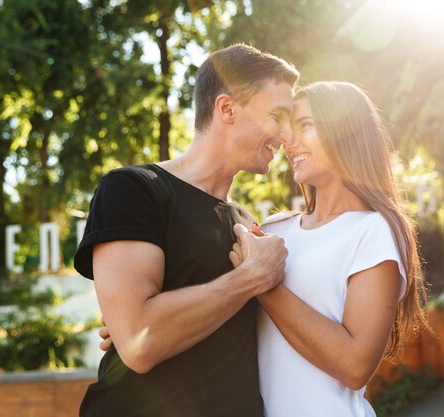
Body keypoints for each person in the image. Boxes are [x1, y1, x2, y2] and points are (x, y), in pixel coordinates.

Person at [73, 44, 299, 417]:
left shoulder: (249, 229)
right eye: (277, 116)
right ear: (227, 108)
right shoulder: (133, 189)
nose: (287, 134)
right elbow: (139, 343)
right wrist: (251, 277)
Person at [228, 81, 428, 417]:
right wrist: (139, 318)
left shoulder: (373, 231)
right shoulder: (274, 230)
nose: (288, 141)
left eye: (305, 125)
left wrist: (262, 283)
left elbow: (355, 366)